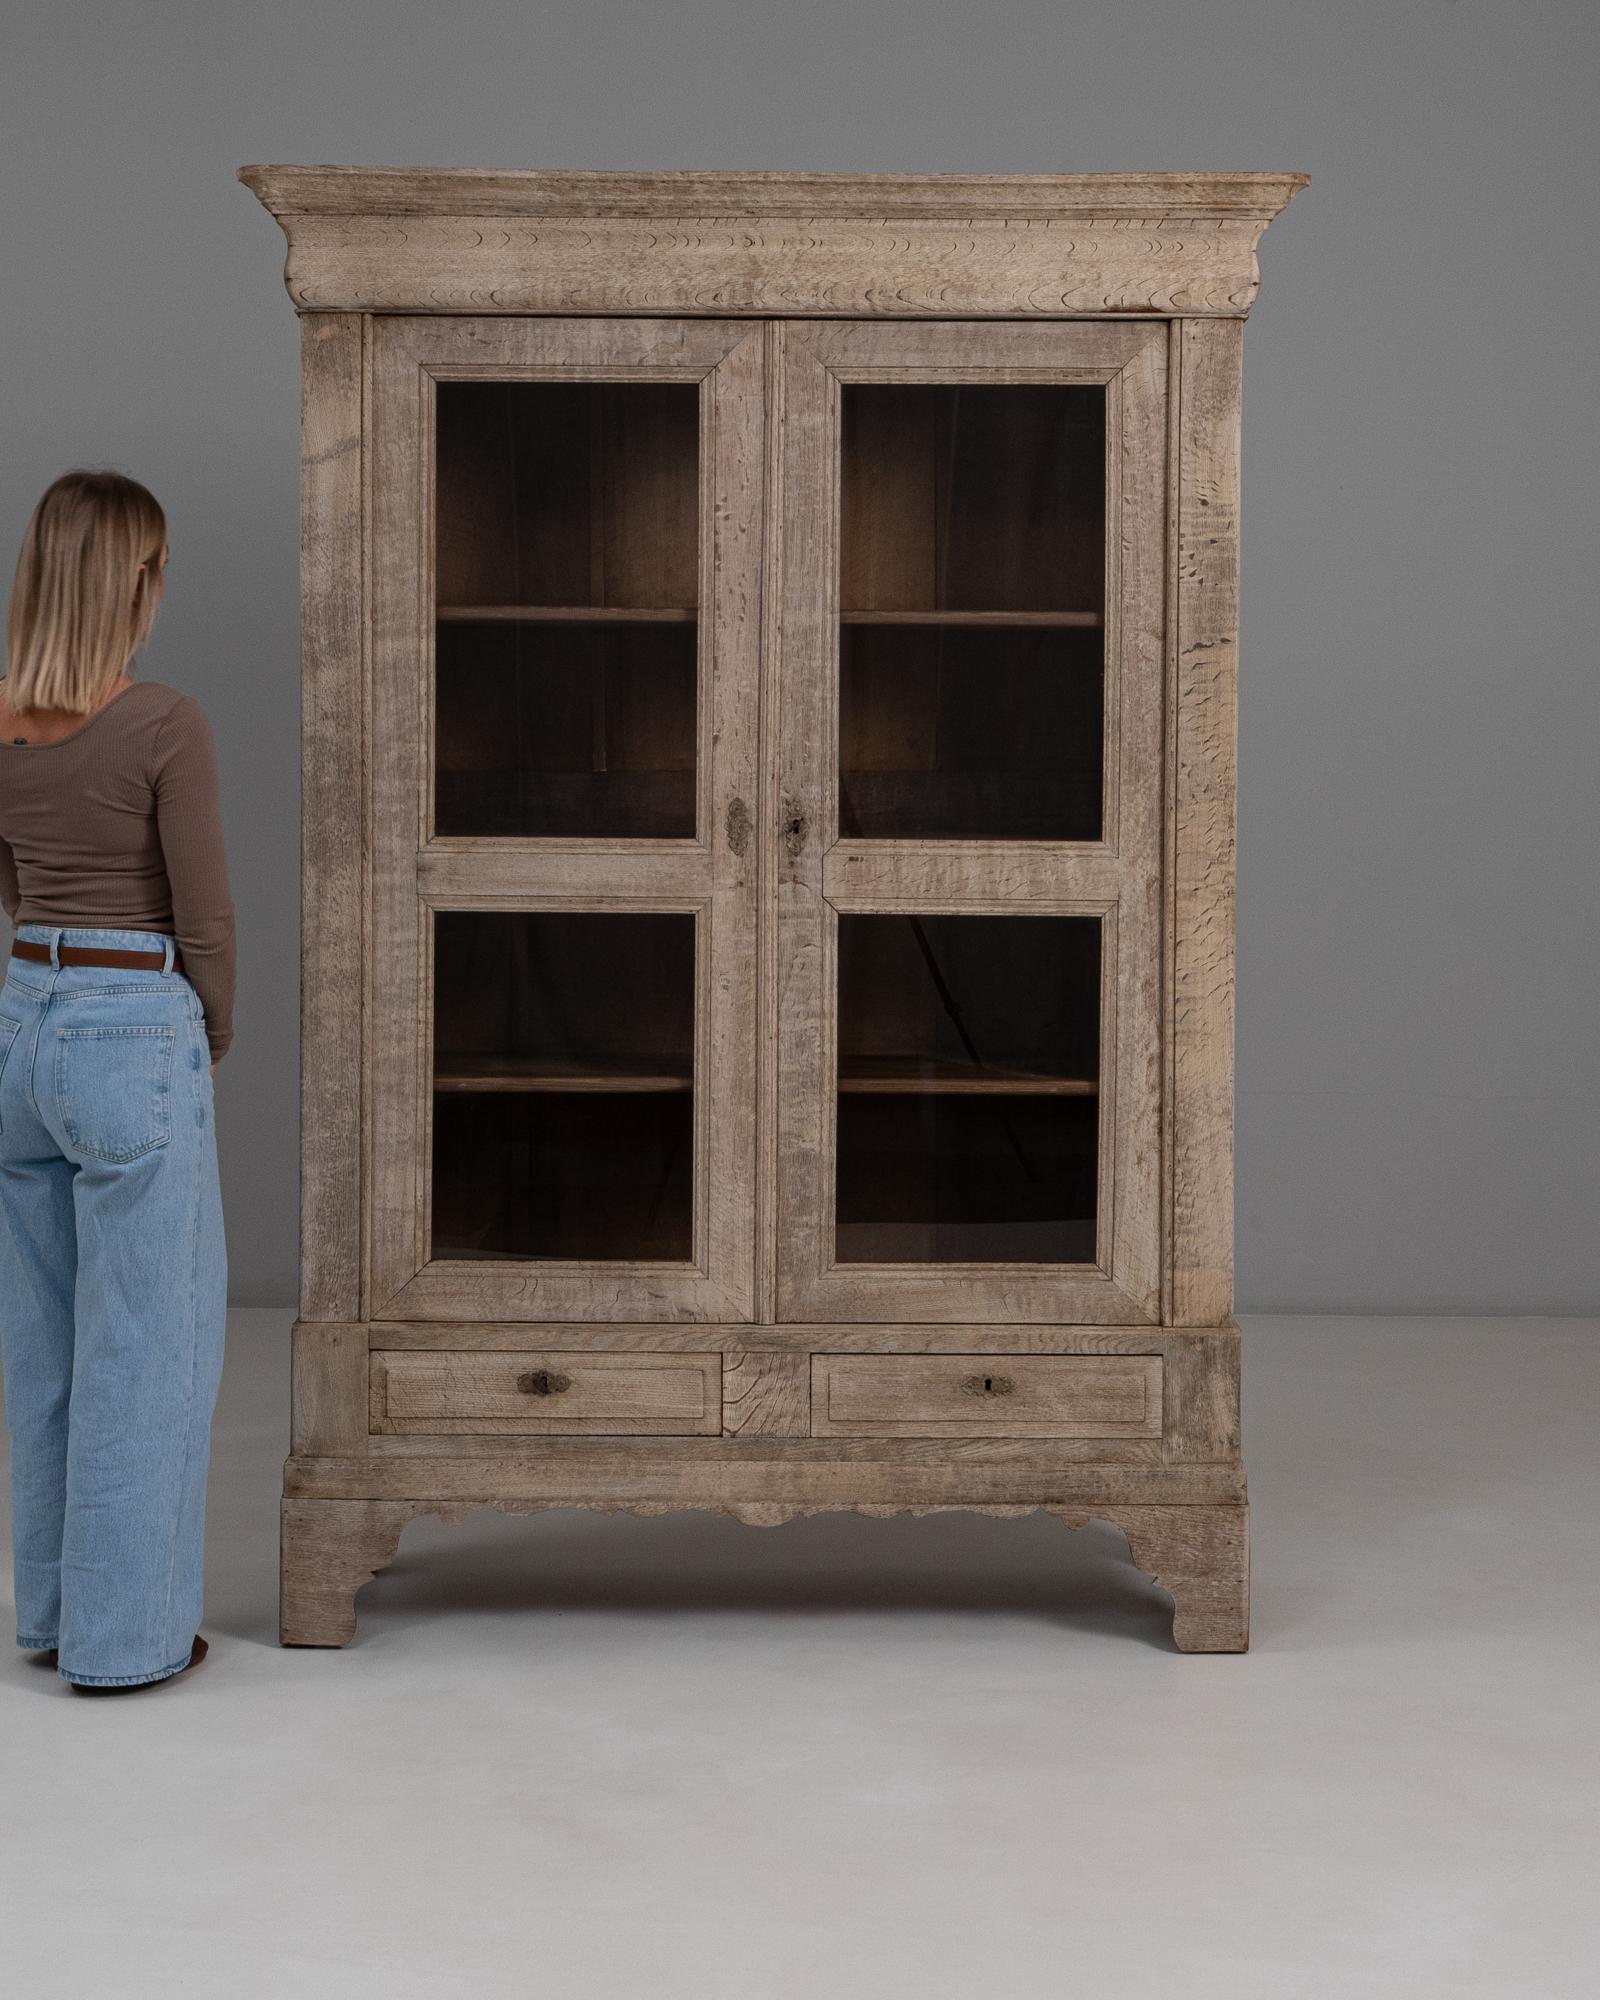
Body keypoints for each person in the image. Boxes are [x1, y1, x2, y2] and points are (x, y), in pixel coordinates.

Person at [0, 468, 233, 1692]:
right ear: (133, 583)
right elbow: (205, 915)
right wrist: (208, 1028)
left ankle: (46, 1614)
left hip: (22, 1022)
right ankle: (126, 1641)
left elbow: (16, 890)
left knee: (41, 1342)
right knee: (148, 1343)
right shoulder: (164, 722)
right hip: (134, 1021)